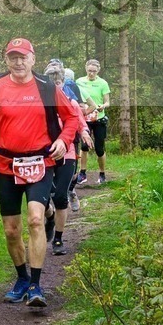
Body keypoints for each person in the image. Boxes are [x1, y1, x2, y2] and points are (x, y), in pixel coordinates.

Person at [0, 38, 81, 308]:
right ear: (6, 60)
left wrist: (64, 140)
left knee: (35, 220)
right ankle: (21, 278)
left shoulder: (47, 89)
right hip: (6, 165)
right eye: (13, 57)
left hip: (41, 163)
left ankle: (36, 285)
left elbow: (72, 118)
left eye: (23, 57)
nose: (18, 62)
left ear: (33, 59)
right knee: (11, 230)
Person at [42, 59, 93, 256]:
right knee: (44, 197)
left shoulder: (70, 101)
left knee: (61, 196)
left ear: (63, 82)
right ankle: (50, 216)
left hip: (67, 152)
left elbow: (78, 119)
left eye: (58, 79)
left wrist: (86, 132)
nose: (55, 83)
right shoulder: (39, 102)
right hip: (44, 154)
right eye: (51, 79)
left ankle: (58, 239)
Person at [63, 67, 96, 211]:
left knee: (71, 165)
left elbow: (87, 106)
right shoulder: (44, 90)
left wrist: (79, 116)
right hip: (54, 135)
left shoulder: (74, 87)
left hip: (71, 131)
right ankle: (60, 194)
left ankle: (70, 190)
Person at [76, 59, 111, 185]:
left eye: (94, 71)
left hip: (99, 118)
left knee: (99, 148)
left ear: (98, 71)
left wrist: (103, 106)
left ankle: (102, 174)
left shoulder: (103, 83)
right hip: (85, 118)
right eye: (90, 71)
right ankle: (82, 172)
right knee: (84, 146)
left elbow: (108, 101)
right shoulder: (79, 81)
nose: (91, 73)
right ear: (86, 69)